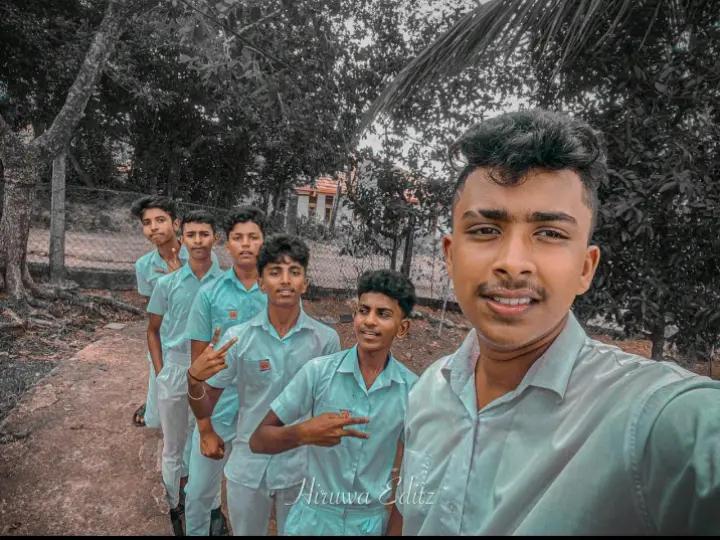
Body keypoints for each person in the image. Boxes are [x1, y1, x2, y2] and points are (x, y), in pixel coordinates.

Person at [396, 109, 720, 535]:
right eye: (486, 230)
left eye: (549, 233)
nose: (513, 263)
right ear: (450, 255)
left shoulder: (645, 418)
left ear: (586, 268)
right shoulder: (427, 391)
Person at [186, 234, 341, 535]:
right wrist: (194, 380)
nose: (285, 280)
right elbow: (207, 403)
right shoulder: (239, 338)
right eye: (275, 272)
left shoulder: (325, 340)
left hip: (301, 467)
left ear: (305, 283)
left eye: (294, 271)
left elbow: (329, 408)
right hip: (248, 464)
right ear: (261, 283)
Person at [249, 269, 418, 536]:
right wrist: (303, 433)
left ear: (402, 328)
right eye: (364, 310)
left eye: (383, 314)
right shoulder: (318, 373)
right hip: (311, 522)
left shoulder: (413, 391)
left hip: (368, 525)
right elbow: (258, 440)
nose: (369, 321)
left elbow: (413, 477)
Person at [183, 207, 268, 536]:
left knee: (252, 498)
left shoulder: (277, 294)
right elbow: (197, 367)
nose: (245, 244)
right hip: (217, 409)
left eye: (253, 237)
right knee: (199, 493)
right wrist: (204, 427)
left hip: (260, 413)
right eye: (238, 238)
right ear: (227, 244)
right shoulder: (209, 294)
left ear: (264, 242)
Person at [147, 210, 223, 535]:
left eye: (204, 234)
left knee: (207, 442)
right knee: (173, 446)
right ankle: (173, 506)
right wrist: (162, 371)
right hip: (176, 371)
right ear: (182, 239)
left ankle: (209, 508)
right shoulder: (167, 284)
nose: (198, 241)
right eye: (191, 235)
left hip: (212, 372)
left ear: (215, 238)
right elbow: (152, 330)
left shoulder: (226, 285)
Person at [130, 196, 185, 429]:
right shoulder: (143, 265)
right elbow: (152, 310)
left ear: (176, 224)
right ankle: (153, 403)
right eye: (147, 222)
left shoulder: (199, 256)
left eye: (160, 220)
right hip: (165, 338)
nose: (153, 227)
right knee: (158, 412)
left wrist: (180, 278)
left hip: (196, 338)